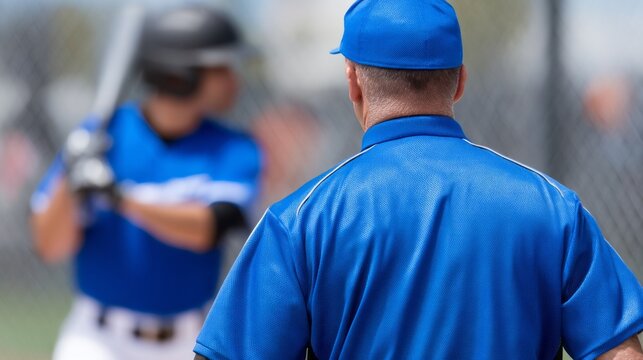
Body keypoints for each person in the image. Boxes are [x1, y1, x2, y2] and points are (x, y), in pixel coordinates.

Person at [193, 1, 643, 359]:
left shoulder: (301, 219)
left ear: (354, 82)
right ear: (460, 81)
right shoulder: (551, 206)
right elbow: (619, 352)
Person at [30, 5, 261, 360]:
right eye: (221, 68)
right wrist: (71, 181)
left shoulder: (233, 149)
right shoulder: (101, 137)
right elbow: (50, 245)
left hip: (190, 338)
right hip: (96, 338)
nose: (235, 81)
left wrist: (119, 198)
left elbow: (207, 230)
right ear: (180, 74)